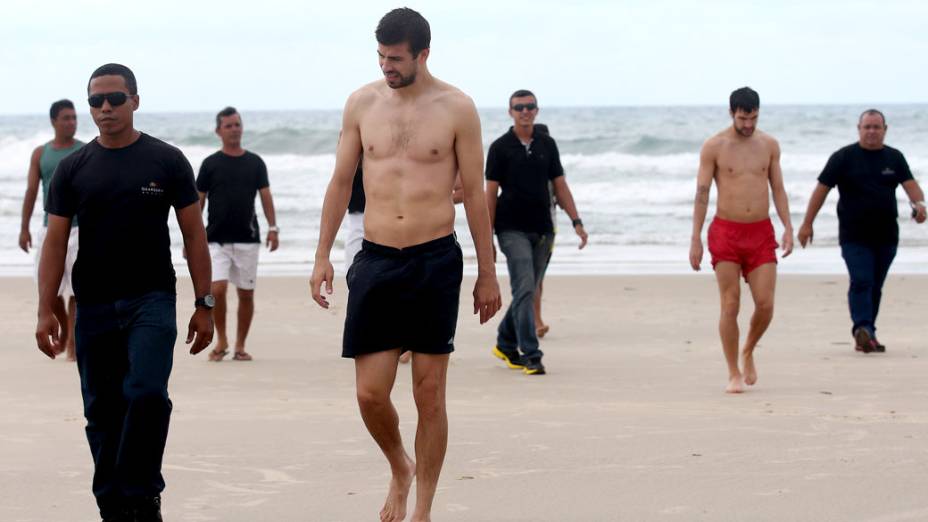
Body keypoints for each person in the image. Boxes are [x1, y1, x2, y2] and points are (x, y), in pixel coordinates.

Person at [309, 8, 501, 522]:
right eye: (381, 57)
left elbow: (478, 199)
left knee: (429, 391)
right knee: (371, 394)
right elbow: (339, 182)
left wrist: (487, 271)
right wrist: (322, 255)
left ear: (423, 54)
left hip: (435, 259)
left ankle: (423, 510)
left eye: (396, 58)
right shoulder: (361, 104)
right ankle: (400, 464)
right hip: (374, 259)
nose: (387, 67)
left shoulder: (457, 108)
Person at [35, 63, 214, 522]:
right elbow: (55, 242)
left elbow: (194, 234)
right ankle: (112, 505)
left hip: (151, 298)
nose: (106, 108)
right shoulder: (74, 168)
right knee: (101, 408)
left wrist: (204, 303)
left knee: (147, 392)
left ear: (135, 100)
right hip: (93, 305)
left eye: (115, 99)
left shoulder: (167, 160)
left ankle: (141, 494)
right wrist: (45, 309)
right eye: (96, 101)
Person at [689, 87, 793, 394]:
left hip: (761, 232)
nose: (748, 125)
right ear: (731, 112)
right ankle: (733, 371)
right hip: (726, 232)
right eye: (742, 118)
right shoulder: (714, 146)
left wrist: (788, 226)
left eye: (753, 118)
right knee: (730, 303)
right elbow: (702, 194)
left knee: (765, 304)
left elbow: (778, 188)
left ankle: (748, 348)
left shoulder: (769, 145)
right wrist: (695, 238)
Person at [798, 109, 925, 353]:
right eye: (867, 127)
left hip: (887, 235)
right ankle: (862, 328)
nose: (871, 132)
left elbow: (913, 190)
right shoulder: (843, 157)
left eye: (876, 127)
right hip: (853, 235)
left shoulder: (894, 158)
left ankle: (869, 333)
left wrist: (919, 207)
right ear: (859, 129)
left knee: (875, 285)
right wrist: (807, 223)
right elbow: (821, 190)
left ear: (885, 130)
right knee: (862, 281)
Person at [485, 91, 587, 376]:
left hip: (543, 230)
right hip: (510, 229)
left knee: (525, 291)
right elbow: (490, 195)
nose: (525, 112)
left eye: (530, 107)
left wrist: (576, 221)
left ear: (537, 111)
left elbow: (560, 186)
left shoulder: (547, 144)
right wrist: (487, 237)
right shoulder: (499, 148)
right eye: (519, 107)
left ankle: (505, 343)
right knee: (526, 288)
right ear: (510, 112)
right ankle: (531, 354)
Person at [197, 107, 279, 362]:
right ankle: (221, 339)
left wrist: (273, 228)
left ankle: (240, 345)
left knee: (246, 294)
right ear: (218, 131)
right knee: (217, 290)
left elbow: (265, 197)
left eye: (237, 125)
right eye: (229, 126)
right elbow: (198, 202)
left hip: (247, 238)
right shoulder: (210, 164)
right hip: (216, 239)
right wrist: (193, 238)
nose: (234, 129)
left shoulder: (255, 162)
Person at [20, 99, 84, 361]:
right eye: (66, 118)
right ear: (54, 121)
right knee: (51, 289)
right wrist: (24, 228)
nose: (71, 122)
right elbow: (32, 191)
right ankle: (67, 328)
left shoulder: (85, 151)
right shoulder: (41, 153)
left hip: (81, 229)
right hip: (51, 229)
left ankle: (74, 344)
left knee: (78, 290)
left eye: (74, 118)